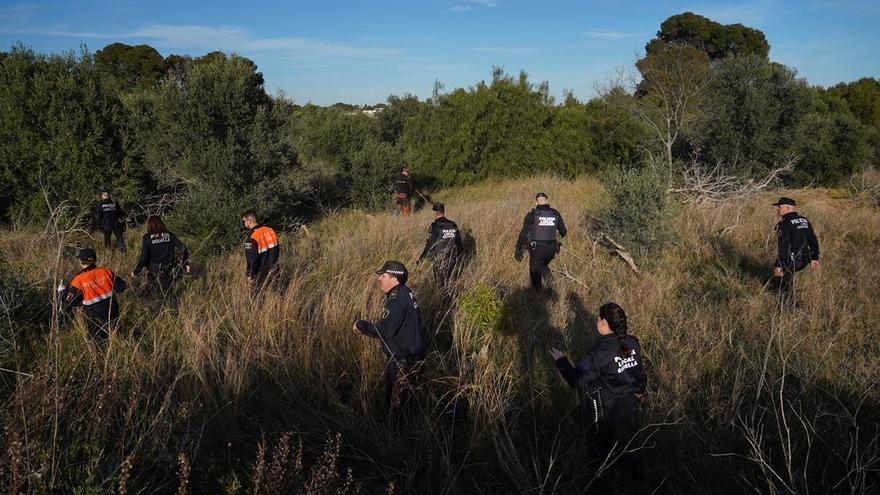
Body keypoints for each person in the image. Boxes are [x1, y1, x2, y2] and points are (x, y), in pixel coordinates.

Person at [549, 302, 646, 461]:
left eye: (598, 318)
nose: (597, 321)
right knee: (614, 436)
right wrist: (639, 391)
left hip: (602, 407)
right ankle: (619, 460)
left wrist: (561, 362)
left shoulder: (600, 353)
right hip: (626, 404)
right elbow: (640, 373)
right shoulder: (632, 342)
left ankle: (599, 474)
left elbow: (576, 380)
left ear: (604, 323)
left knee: (595, 441)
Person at [352, 261, 425, 409]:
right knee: (407, 400)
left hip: (402, 360)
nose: (379, 279)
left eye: (383, 276)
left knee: (396, 405)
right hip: (412, 356)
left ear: (394, 279)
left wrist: (362, 325)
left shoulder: (397, 299)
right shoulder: (406, 293)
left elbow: (386, 330)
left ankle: (395, 430)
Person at [60, 248, 127, 344]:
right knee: (117, 334)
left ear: (81, 262)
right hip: (112, 310)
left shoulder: (78, 280)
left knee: (98, 342)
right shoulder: (106, 271)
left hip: (94, 316)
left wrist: (62, 292)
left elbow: (68, 302)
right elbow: (122, 287)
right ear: (94, 259)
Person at [515, 192, 567, 290]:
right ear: (547, 201)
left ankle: (538, 292)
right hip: (552, 249)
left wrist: (518, 248)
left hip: (537, 249)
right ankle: (550, 283)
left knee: (534, 270)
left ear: (536, 202)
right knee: (542, 265)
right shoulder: (555, 213)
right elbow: (564, 232)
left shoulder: (532, 215)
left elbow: (523, 233)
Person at [772, 197, 820, 301]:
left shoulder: (785, 223)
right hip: (804, 259)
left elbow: (783, 246)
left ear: (788, 208)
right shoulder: (804, 220)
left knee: (783, 283)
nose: (777, 209)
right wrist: (814, 257)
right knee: (786, 279)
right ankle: (790, 303)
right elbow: (812, 239)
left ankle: (786, 310)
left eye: (779, 207)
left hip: (791, 259)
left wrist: (778, 264)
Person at [132, 215, 191, 294]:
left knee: (165, 295)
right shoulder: (170, 235)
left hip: (154, 268)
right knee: (167, 291)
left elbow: (143, 257)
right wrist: (185, 263)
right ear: (161, 224)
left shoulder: (147, 238)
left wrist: (136, 271)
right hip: (169, 267)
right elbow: (183, 248)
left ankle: (152, 285)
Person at [418, 202, 463, 287]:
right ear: (443, 211)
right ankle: (449, 297)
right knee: (450, 280)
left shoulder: (435, 226)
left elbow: (430, 244)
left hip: (439, 258)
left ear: (434, 213)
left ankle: (441, 298)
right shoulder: (452, 224)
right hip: (452, 257)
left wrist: (422, 258)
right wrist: (458, 257)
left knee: (440, 282)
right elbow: (459, 243)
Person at [242, 211, 280, 295]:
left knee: (256, 299)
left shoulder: (252, 237)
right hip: (275, 269)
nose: (243, 223)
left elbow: (252, 259)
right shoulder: (270, 230)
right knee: (276, 295)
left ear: (250, 221)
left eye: (244, 221)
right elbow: (277, 249)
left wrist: (250, 274)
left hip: (261, 273)